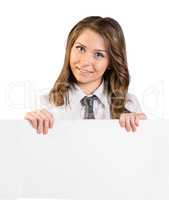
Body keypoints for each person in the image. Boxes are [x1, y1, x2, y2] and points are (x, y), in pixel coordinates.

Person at [24, 16, 147, 135]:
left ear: (111, 62)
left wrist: (143, 128)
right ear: (69, 49)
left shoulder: (129, 104)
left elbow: (144, 151)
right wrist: (28, 127)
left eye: (99, 54)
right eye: (81, 49)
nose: (85, 62)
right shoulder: (47, 104)